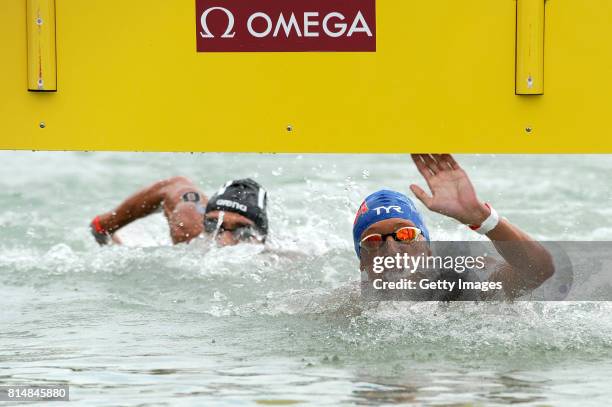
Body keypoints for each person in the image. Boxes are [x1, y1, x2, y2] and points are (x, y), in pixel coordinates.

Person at [353, 154, 555, 300]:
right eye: (373, 241)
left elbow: (539, 270)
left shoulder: (462, 279)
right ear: (362, 261)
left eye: (405, 235)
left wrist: (483, 219)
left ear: (427, 248)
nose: (391, 250)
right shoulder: (350, 308)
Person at [90, 177, 268, 247]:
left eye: (242, 231)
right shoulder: (188, 227)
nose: (224, 241)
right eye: (214, 225)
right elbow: (174, 185)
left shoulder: (277, 262)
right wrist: (105, 226)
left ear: (261, 237)